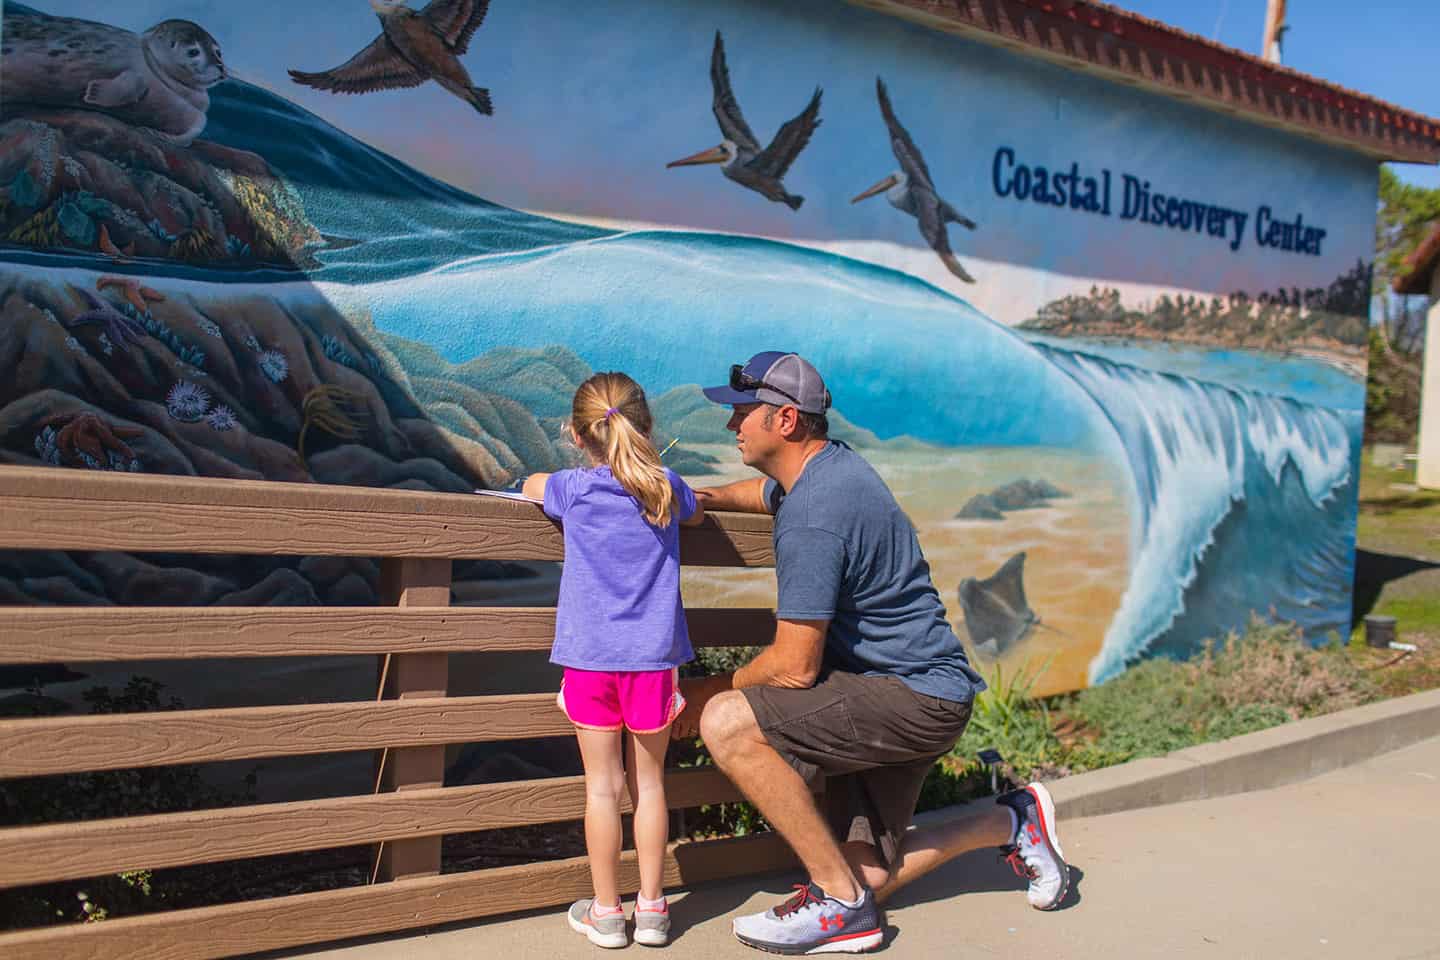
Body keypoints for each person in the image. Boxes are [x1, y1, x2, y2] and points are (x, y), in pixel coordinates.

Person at [675, 351, 1068, 955]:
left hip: (908, 698)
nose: (733, 427)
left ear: (785, 422)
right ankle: (1009, 822)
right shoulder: (830, 470)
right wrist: (706, 498)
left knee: (725, 722)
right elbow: (767, 494)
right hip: (915, 690)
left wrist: (700, 695)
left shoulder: (815, 514)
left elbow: (793, 668)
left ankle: (839, 907)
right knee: (870, 879)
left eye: (742, 414)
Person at [521, 371, 706, 949]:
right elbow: (696, 513)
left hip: (590, 660)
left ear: (578, 436)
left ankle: (607, 913)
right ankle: (652, 909)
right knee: (649, 786)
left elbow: (530, 484)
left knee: (602, 788)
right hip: (652, 660)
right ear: (645, 427)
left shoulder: (572, 489)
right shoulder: (667, 488)